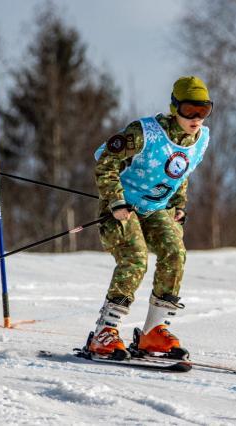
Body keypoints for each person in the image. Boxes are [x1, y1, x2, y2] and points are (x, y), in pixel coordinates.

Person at [88, 76, 213, 360]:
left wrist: (179, 203)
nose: (196, 118)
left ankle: (154, 331)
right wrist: (116, 200)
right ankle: (104, 332)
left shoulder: (201, 139)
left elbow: (182, 171)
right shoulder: (145, 133)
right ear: (174, 107)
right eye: (189, 110)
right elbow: (105, 161)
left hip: (157, 209)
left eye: (203, 111)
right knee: (135, 257)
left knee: (175, 252)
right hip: (122, 208)